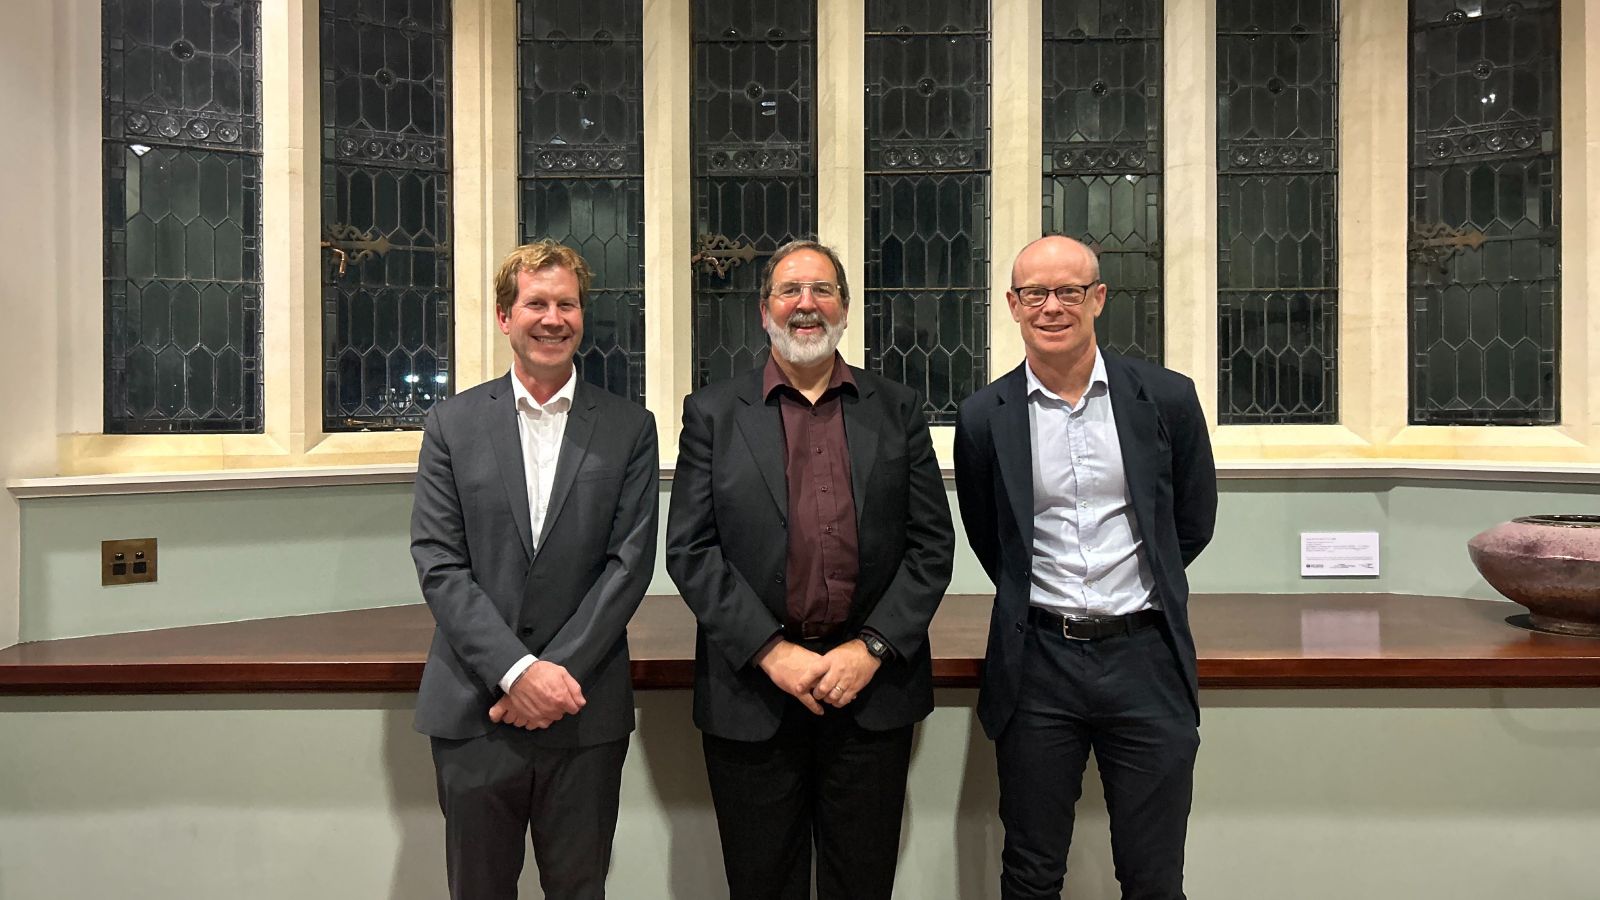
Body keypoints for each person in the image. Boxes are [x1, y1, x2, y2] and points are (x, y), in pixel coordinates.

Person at [665, 239, 954, 900]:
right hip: (753, 693)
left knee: (863, 884)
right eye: (789, 291)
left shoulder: (898, 408)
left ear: (845, 308)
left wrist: (873, 647)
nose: (806, 305)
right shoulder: (713, 413)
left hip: (870, 694)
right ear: (764, 310)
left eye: (822, 290)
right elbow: (690, 547)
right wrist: (771, 651)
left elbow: (931, 546)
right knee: (762, 885)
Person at [954, 235, 1218, 899]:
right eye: (1035, 294)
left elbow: (1191, 523)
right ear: (1012, 306)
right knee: (1032, 871)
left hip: (1145, 657)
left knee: (1154, 876)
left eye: (1068, 291)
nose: (1052, 307)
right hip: (1037, 662)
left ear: (1097, 298)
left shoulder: (1167, 399)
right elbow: (995, 541)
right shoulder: (984, 417)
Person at [410, 240, 659, 900]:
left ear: (583, 316)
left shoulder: (630, 428)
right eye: (536, 303)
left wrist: (556, 676)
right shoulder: (451, 424)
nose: (553, 318)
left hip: (584, 712)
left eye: (567, 304)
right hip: (474, 707)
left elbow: (628, 565)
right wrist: (518, 672)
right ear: (504, 316)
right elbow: (439, 562)